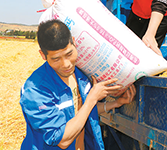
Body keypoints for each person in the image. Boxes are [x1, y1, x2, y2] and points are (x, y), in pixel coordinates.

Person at [20, 19, 136, 150]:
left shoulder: (79, 75)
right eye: (56, 59)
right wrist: (92, 98)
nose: (66, 64)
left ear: (74, 42)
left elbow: (81, 111)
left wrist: (115, 103)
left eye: (69, 54)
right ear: (43, 55)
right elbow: (62, 140)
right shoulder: (35, 91)